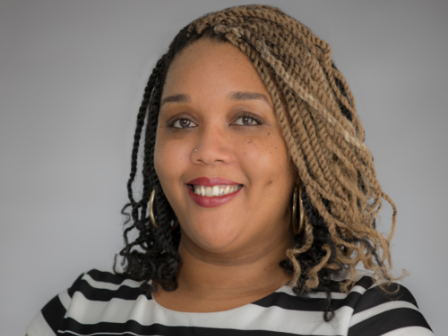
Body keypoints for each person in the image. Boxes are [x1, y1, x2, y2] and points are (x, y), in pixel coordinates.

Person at [26, 4, 433, 336]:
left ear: (304, 152)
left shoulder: (367, 320)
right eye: (182, 122)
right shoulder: (78, 312)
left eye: (246, 119)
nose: (207, 151)